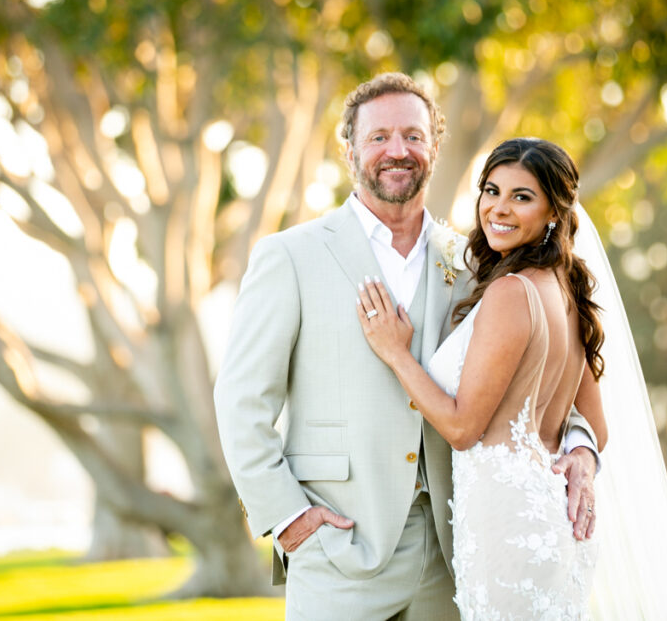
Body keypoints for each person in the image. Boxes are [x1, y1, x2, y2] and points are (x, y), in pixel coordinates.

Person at [214, 74, 600, 619]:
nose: (398, 151)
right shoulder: (290, 256)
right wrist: (288, 519)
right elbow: (240, 403)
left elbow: (551, 381)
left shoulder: (476, 266)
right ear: (350, 151)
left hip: (452, 552)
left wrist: (581, 450)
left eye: (413, 136)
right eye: (379, 137)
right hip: (339, 549)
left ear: (434, 148)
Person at [358, 137, 667, 620]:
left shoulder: (511, 292)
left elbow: (462, 429)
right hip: (550, 521)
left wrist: (397, 354)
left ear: (552, 213)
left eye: (521, 197)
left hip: (508, 525)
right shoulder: (565, 291)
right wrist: (582, 454)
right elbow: (596, 428)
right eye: (491, 190)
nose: (498, 208)